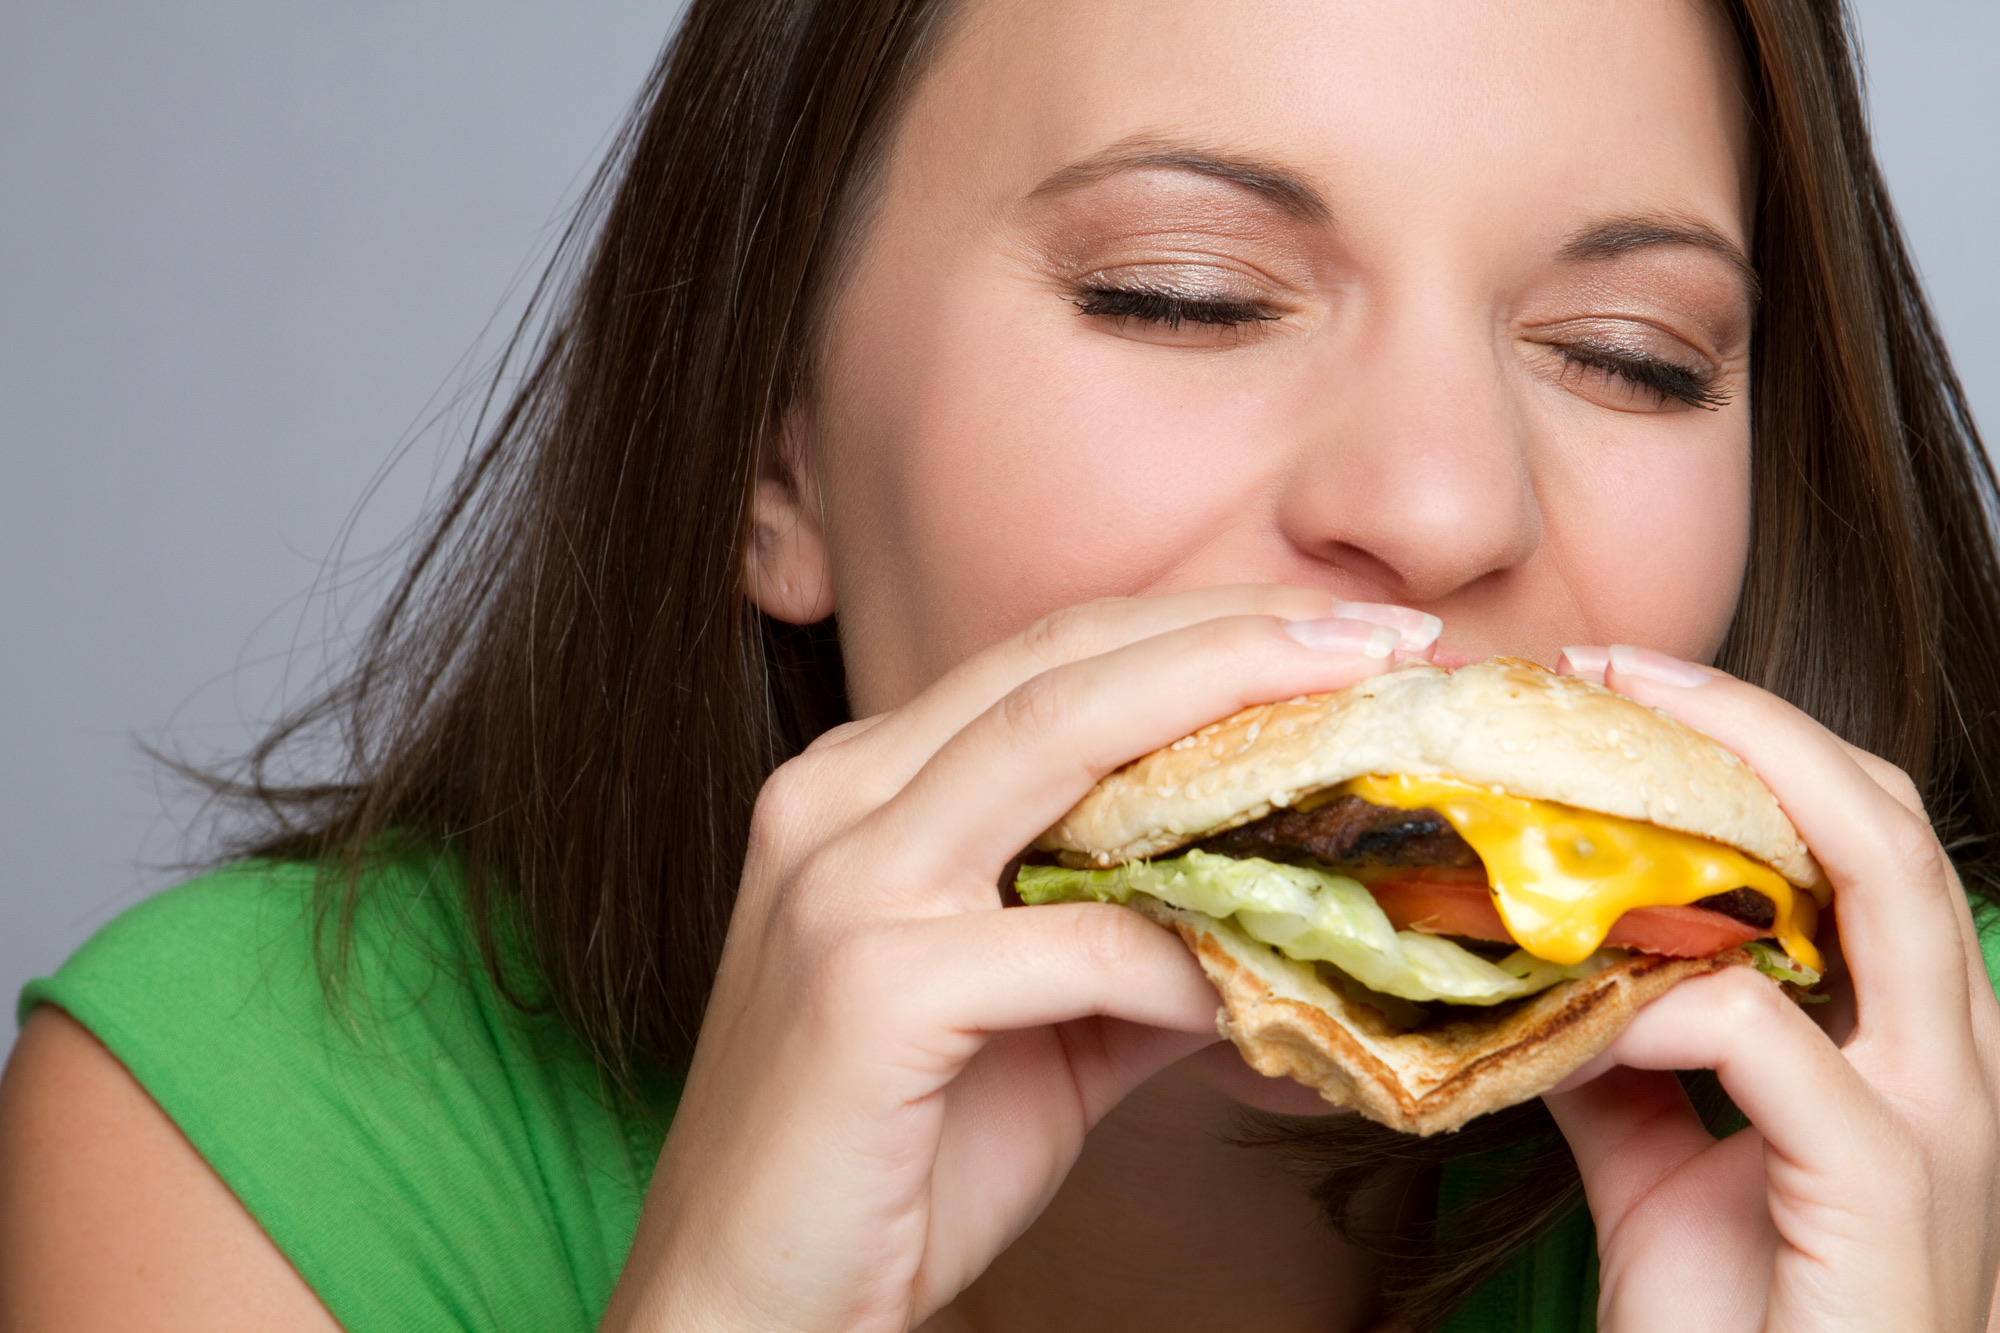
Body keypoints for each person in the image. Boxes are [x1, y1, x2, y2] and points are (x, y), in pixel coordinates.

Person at [4, 0, 1998, 1328]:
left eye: (1630, 355)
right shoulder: (259, 1132)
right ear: (768, 444)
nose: (1442, 497)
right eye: (1182, 298)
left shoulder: (1936, 1119)